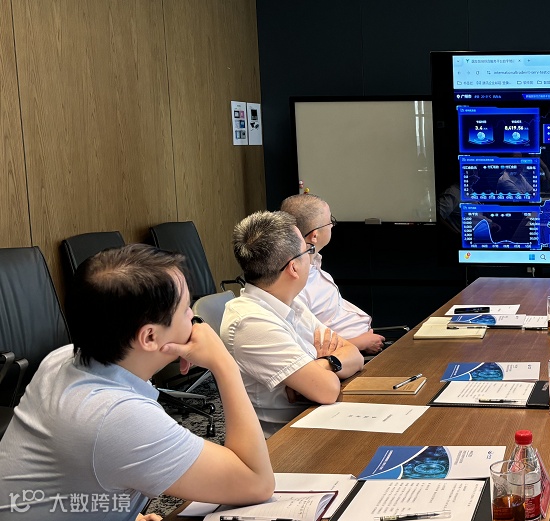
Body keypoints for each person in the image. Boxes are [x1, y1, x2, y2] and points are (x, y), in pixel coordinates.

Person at [0, 244, 274, 519]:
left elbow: (68, 478)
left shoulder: (62, 359)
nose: (193, 317)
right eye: (185, 310)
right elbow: (257, 483)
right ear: (150, 337)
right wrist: (224, 364)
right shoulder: (116, 417)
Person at [222, 211, 364, 436]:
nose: (311, 257)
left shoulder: (291, 302)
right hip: (288, 439)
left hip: (317, 418)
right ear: (293, 267)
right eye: (308, 251)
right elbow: (327, 390)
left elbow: (355, 354)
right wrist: (324, 373)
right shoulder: (250, 321)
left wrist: (323, 364)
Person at [280, 194, 386, 355]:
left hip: (364, 343)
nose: (332, 226)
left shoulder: (313, 264)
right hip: (350, 355)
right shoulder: (296, 285)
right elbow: (307, 347)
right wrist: (360, 343)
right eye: (330, 221)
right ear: (314, 235)